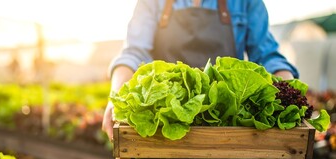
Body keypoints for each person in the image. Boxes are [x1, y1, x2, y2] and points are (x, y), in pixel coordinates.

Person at [102, 0, 299, 141]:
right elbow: (133, 53)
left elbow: (267, 56)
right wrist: (115, 97)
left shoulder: (246, 3)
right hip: (164, 132)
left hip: (227, 130)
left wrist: (292, 94)